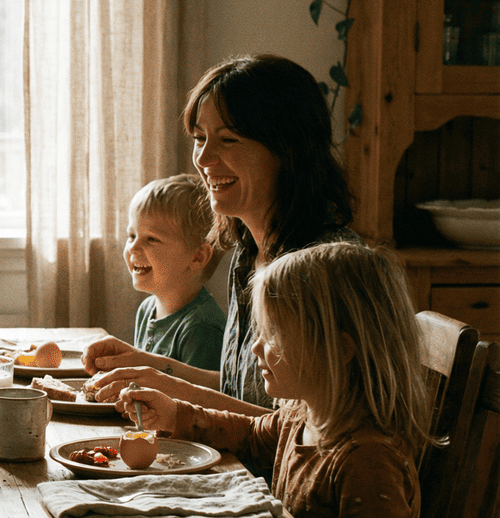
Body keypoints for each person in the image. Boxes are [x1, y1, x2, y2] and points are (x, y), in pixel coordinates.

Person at [120, 242, 434, 518]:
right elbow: (250, 434)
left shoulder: (369, 461)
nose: (255, 348)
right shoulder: (303, 413)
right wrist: (175, 414)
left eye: (273, 335)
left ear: (340, 349)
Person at [84, 54, 360, 416]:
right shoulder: (248, 255)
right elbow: (241, 392)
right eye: (200, 138)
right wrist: (150, 367)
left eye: (228, 140)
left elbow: (296, 433)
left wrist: (168, 390)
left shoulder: (319, 270)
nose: (203, 158)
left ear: (288, 149)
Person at [123, 173, 226, 371]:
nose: (133, 248)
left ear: (198, 257)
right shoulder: (146, 310)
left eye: (151, 239)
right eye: (131, 235)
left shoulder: (201, 328)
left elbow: (203, 400)